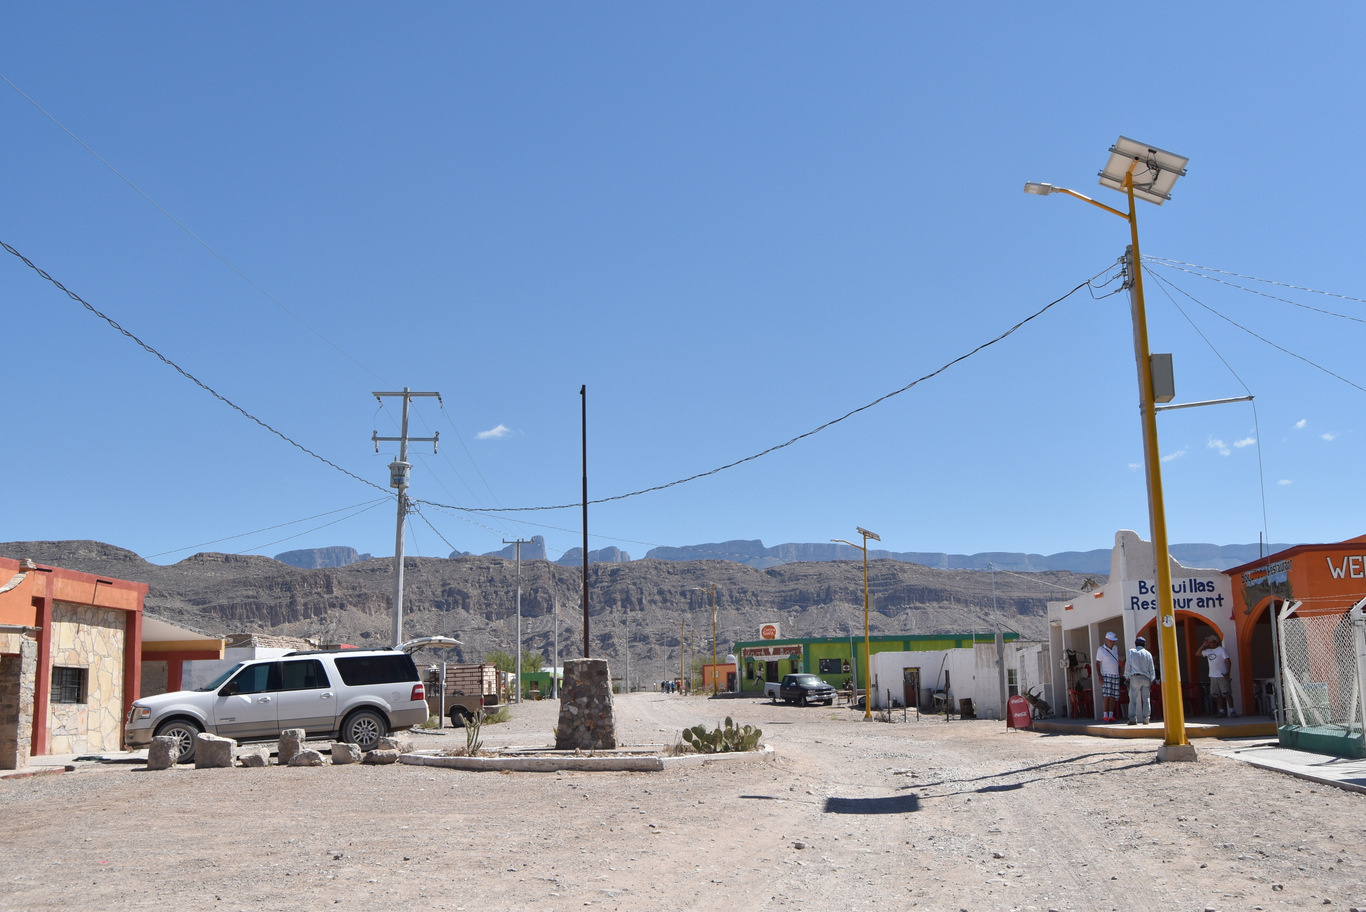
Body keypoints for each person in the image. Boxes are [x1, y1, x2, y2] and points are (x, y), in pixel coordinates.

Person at [1125, 636, 1157, 725]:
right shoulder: (1148, 654)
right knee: (1146, 699)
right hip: (1146, 678)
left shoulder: (1131, 652)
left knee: (1133, 699)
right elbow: (1152, 668)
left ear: (1136, 644)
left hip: (1135, 677)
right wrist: (1152, 678)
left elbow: (1128, 665)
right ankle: (1146, 719)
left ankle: (1132, 719)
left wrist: (1127, 676)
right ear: (1144, 645)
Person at [1201, 635, 1235, 717]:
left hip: (1222, 675)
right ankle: (1222, 711)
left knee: (1227, 693)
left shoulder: (1221, 650)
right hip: (1213, 676)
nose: (1209, 644)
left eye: (1210, 642)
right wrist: (1203, 645)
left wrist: (1228, 673)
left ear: (1215, 642)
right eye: (1207, 642)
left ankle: (1232, 710)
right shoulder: (1208, 651)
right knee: (1217, 694)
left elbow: (1228, 661)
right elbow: (1197, 653)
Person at [1095, 631, 1123, 722]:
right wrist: (1100, 676)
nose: (1112, 642)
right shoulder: (1101, 649)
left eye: (1113, 641)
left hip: (1115, 675)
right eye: (1111, 640)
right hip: (1106, 675)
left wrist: (1119, 672)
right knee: (1106, 695)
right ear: (1106, 640)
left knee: (1113, 696)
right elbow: (1097, 663)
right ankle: (1105, 715)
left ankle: (1111, 715)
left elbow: (1117, 661)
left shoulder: (1115, 648)